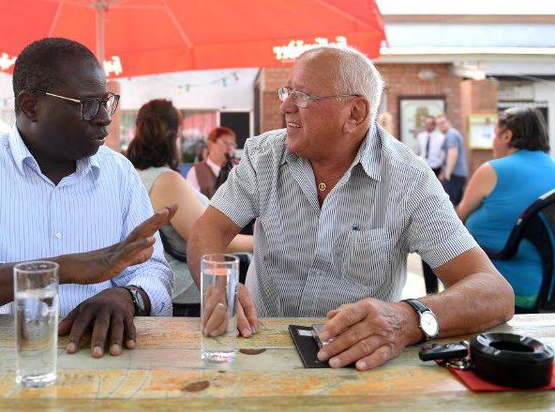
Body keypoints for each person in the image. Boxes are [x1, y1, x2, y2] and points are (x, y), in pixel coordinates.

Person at [187, 45, 513, 371]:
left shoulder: (407, 178)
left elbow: (494, 292)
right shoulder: (264, 156)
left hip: (356, 366)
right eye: (287, 92)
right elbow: (208, 230)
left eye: (302, 96)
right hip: (257, 350)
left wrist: (408, 317)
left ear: (355, 113)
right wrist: (216, 286)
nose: (285, 106)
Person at [0, 37, 176, 359]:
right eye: (87, 105)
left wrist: (128, 296)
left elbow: (154, 272)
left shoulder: (119, 173)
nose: (104, 118)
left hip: (98, 357)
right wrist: (59, 269)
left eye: (106, 101)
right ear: (30, 106)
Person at [125, 99, 253, 314]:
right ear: (176, 135)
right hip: (187, 295)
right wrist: (260, 241)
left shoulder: (133, 174)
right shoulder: (167, 181)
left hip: (158, 289)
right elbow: (207, 236)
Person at [458, 107, 555, 311]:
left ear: (507, 135)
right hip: (546, 290)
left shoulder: (492, 170)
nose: (493, 142)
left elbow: (456, 221)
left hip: (498, 288)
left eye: (495, 135)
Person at [186, 127, 237, 198]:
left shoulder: (238, 168)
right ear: (210, 145)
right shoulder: (196, 171)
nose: (230, 148)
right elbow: (191, 201)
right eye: (225, 143)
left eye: (232, 144)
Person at [436, 115, 468, 205]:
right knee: (456, 203)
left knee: (449, 204)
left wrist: (448, 173)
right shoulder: (451, 134)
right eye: (439, 124)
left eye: (442, 122)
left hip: (454, 174)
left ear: (448, 121)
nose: (441, 125)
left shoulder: (451, 135)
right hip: (458, 174)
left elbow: (452, 153)